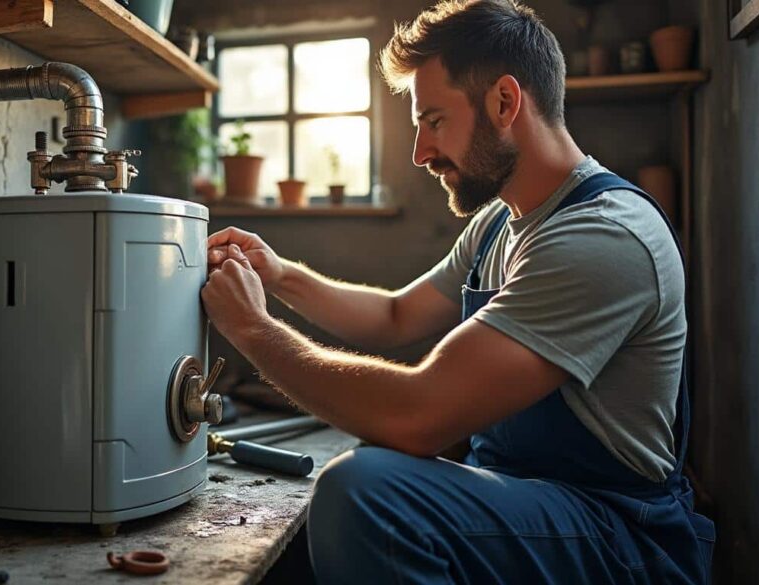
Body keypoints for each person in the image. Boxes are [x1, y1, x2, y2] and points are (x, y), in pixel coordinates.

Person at [200, 0, 715, 582]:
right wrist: (280, 275)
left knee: (365, 491)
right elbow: (395, 316)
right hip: (529, 501)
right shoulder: (500, 221)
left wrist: (252, 330)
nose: (420, 152)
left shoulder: (603, 237)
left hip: (618, 534)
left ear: (504, 102)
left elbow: (421, 415)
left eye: (434, 121)